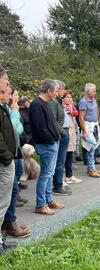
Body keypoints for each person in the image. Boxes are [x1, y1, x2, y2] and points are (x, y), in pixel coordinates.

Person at [29, 79, 64, 215]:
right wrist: (50, 140)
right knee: (45, 175)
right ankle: (40, 204)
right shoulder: (37, 104)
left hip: (52, 143)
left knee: (50, 174)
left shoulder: (46, 103)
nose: (56, 93)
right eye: (55, 91)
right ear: (49, 90)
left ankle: (49, 200)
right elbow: (40, 128)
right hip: (46, 144)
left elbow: (51, 124)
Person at [2, 86, 31, 238]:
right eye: (14, 94)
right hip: (8, 155)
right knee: (9, 190)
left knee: (13, 188)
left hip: (14, 151)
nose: (16, 98)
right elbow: (14, 128)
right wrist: (14, 112)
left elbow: (18, 129)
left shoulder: (8, 109)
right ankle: (9, 223)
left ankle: (9, 222)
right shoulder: (8, 110)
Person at [0, 65, 19, 252]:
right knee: (1, 203)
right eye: (6, 79)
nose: (8, 82)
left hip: (5, 161)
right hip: (3, 163)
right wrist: (7, 157)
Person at [49, 80, 71, 196]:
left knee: (61, 161)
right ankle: (57, 185)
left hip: (63, 132)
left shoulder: (58, 101)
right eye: (61, 89)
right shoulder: (53, 102)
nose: (63, 92)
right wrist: (63, 133)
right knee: (59, 161)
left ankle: (59, 183)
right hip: (60, 133)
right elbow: (54, 121)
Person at [78, 83, 100, 178]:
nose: (95, 93)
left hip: (94, 125)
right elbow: (81, 118)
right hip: (87, 126)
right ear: (87, 91)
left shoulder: (94, 100)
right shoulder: (83, 102)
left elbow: (96, 111)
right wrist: (84, 131)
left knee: (93, 147)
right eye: (93, 91)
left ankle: (91, 167)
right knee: (90, 148)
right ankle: (91, 169)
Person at [63, 91, 82, 184]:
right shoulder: (63, 108)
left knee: (69, 155)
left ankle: (69, 175)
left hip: (72, 131)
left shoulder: (72, 107)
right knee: (64, 156)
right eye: (67, 97)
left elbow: (76, 113)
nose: (69, 99)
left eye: (70, 97)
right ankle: (63, 178)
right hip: (66, 132)